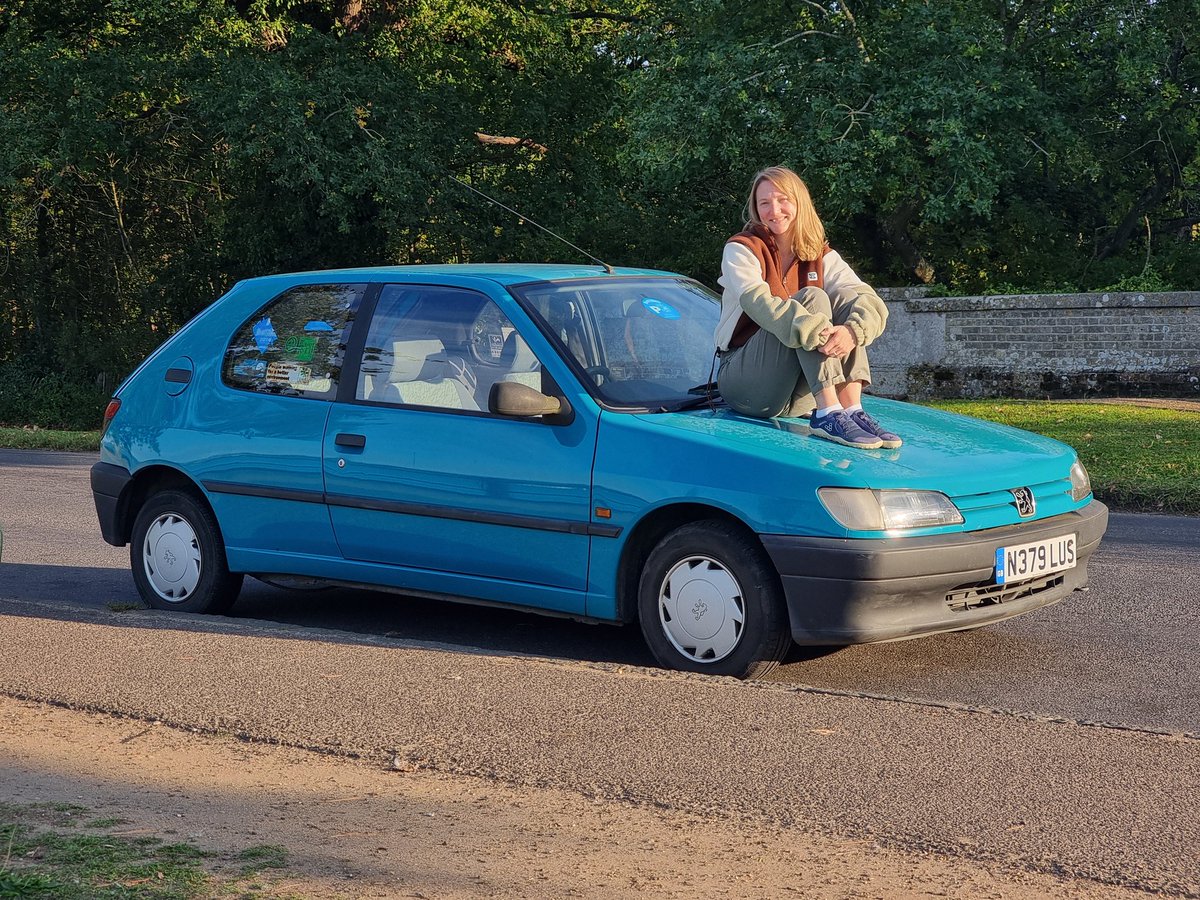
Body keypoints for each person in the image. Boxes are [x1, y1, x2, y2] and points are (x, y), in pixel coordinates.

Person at [715, 165, 901, 450]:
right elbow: (760, 304)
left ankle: (851, 409)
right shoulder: (742, 249)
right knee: (813, 298)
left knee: (849, 303)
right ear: (755, 209)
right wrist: (818, 332)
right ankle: (827, 412)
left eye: (782, 200)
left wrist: (852, 333)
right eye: (764, 203)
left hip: (796, 396)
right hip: (745, 386)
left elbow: (869, 301)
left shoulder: (820, 255)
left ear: (799, 202)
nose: (774, 210)